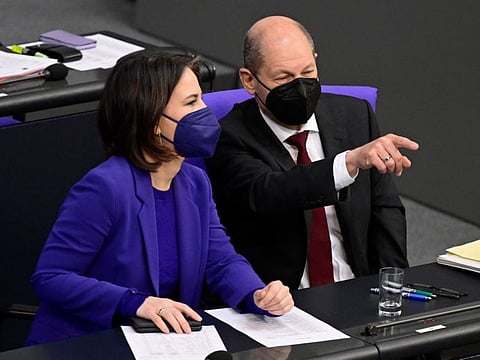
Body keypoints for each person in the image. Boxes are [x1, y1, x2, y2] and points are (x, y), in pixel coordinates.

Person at [25, 52, 293, 345]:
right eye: (191, 103)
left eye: (201, 99)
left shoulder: (194, 182)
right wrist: (136, 302)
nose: (205, 111)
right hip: (90, 343)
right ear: (153, 122)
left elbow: (219, 261)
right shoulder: (105, 187)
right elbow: (50, 278)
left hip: (162, 344)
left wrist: (256, 294)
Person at [205, 16, 420, 290]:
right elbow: (269, 191)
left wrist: (394, 286)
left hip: (358, 288)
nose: (300, 87)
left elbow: (385, 209)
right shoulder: (229, 135)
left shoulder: (355, 116)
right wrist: (347, 163)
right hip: (283, 299)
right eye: (283, 78)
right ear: (249, 80)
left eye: (308, 73)